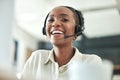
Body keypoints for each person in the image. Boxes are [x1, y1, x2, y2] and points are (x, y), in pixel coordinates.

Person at [20, 6, 102, 80]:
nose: (55, 23)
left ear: (77, 31)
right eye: (51, 20)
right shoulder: (37, 58)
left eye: (65, 19)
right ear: (45, 30)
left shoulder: (90, 62)